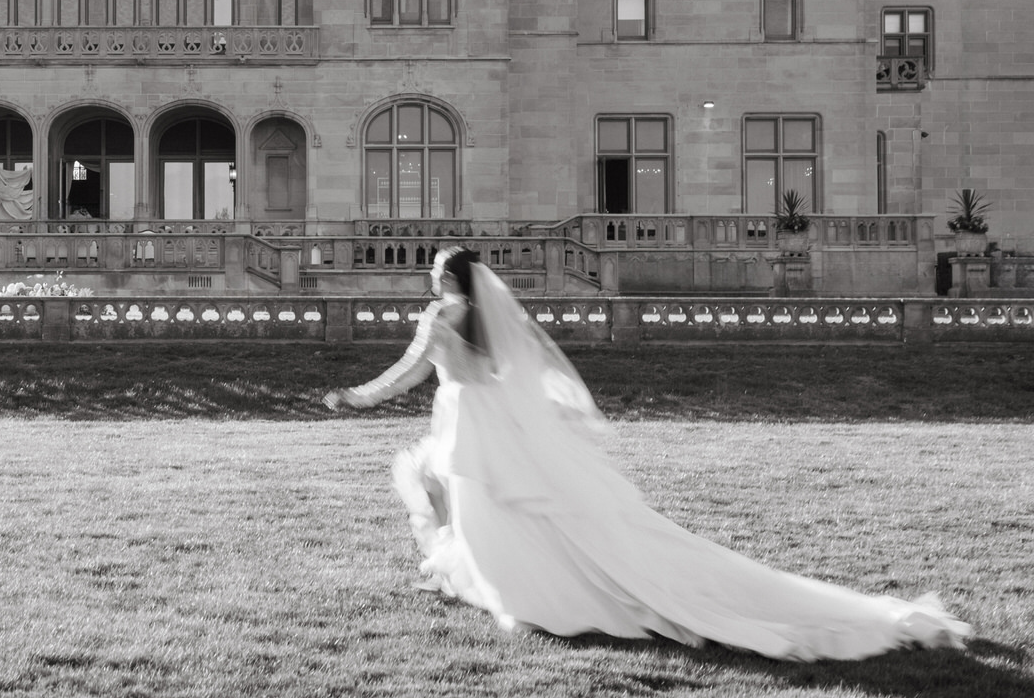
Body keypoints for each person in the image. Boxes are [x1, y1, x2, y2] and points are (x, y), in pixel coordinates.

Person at [324, 246, 972, 661]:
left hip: (469, 424)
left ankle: (522, 591)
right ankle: (491, 578)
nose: (432, 277)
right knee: (495, 506)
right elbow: (503, 373)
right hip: (488, 421)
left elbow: (412, 372)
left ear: (449, 279)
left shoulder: (440, 318)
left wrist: (357, 397)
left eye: (438, 271)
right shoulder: (487, 321)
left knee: (478, 506)